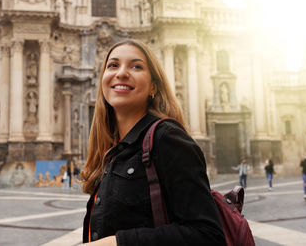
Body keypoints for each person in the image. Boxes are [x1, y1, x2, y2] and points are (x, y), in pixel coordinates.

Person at [79, 40, 225, 245]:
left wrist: (117, 243)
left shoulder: (168, 139)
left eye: (136, 66)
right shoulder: (115, 151)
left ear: (153, 87)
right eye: (113, 65)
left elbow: (208, 235)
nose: (121, 73)